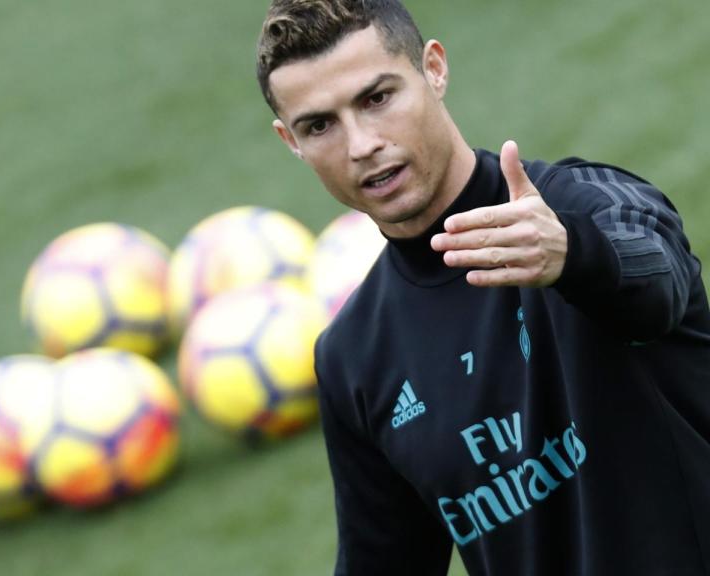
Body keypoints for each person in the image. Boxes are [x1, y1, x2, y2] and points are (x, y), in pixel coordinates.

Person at [255, 1, 710, 574]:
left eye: (377, 98)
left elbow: (661, 283)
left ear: (434, 70)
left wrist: (574, 255)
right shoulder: (353, 357)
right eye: (319, 125)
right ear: (289, 141)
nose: (361, 144)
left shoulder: (581, 205)